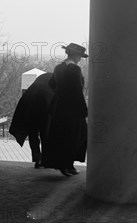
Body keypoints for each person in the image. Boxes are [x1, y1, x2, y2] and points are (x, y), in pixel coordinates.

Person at [42, 43, 88, 176]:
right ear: (76, 55)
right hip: (72, 109)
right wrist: (84, 110)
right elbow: (77, 92)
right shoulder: (74, 69)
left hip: (58, 108)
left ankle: (64, 164)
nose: (80, 59)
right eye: (80, 56)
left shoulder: (58, 67)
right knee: (76, 136)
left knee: (61, 137)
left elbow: (52, 84)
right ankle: (69, 165)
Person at [9, 72, 54, 168]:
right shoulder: (49, 88)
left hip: (30, 115)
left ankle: (37, 159)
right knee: (45, 136)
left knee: (33, 136)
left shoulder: (33, 88)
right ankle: (45, 160)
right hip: (43, 115)